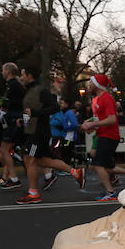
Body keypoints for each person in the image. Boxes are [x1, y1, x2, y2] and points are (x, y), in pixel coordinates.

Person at [15, 66, 86, 204]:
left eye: (22, 74)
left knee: (30, 159)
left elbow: (54, 107)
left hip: (38, 133)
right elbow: (28, 111)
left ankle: (33, 193)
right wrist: (22, 120)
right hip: (31, 131)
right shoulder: (28, 90)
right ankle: (76, 173)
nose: (21, 77)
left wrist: (35, 113)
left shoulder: (41, 90)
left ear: (29, 75)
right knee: (43, 161)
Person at [80, 74, 125, 201]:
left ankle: (111, 192)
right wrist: (89, 123)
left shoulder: (107, 98)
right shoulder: (98, 99)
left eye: (91, 82)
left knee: (98, 164)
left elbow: (112, 119)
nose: (89, 84)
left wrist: (92, 124)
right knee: (107, 166)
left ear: (98, 85)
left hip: (109, 135)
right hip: (102, 135)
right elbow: (101, 118)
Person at [0, 62, 26, 189]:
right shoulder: (15, 85)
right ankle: (5, 178)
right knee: (8, 150)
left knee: (4, 150)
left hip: (14, 120)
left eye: (3, 70)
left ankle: (14, 179)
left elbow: (7, 102)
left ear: (8, 72)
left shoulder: (12, 85)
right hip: (15, 119)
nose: (2, 72)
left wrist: (0, 113)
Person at [49, 98, 79, 167]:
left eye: (62, 103)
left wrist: (64, 128)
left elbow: (74, 125)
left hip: (69, 138)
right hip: (66, 136)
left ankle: (69, 167)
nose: (61, 105)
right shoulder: (66, 113)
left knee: (65, 151)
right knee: (65, 151)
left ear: (66, 104)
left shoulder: (69, 113)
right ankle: (71, 165)